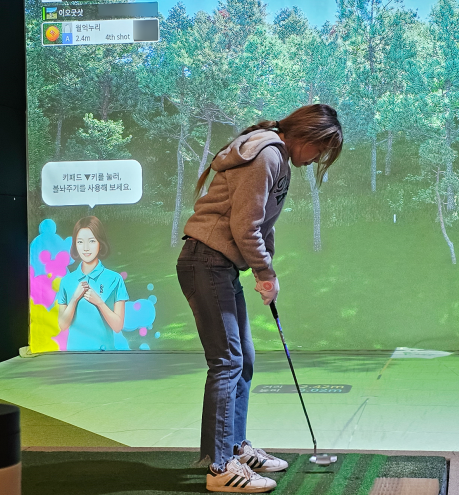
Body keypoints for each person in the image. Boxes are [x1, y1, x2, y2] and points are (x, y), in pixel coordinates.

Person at [177, 104, 343, 493]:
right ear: (305, 136)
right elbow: (244, 226)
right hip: (206, 261)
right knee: (227, 362)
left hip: (220, 265)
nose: (316, 159)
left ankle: (235, 448)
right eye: (319, 149)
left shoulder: (278, 158)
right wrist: (265, 273)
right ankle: (220, 467)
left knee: (243, 359)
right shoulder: (267, 155)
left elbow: (263, 225)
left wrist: (266, 271)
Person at [57, 216, 129, 351]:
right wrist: (74, 299)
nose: (85, 248)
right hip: (74, 354)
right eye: (80, 242)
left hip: (105, 354)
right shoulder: (66, 281)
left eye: (91, 241)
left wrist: (99, 302)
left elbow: (118, 326)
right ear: (75, 245)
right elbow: (62, 325)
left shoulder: (115, 279)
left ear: (100, 243)